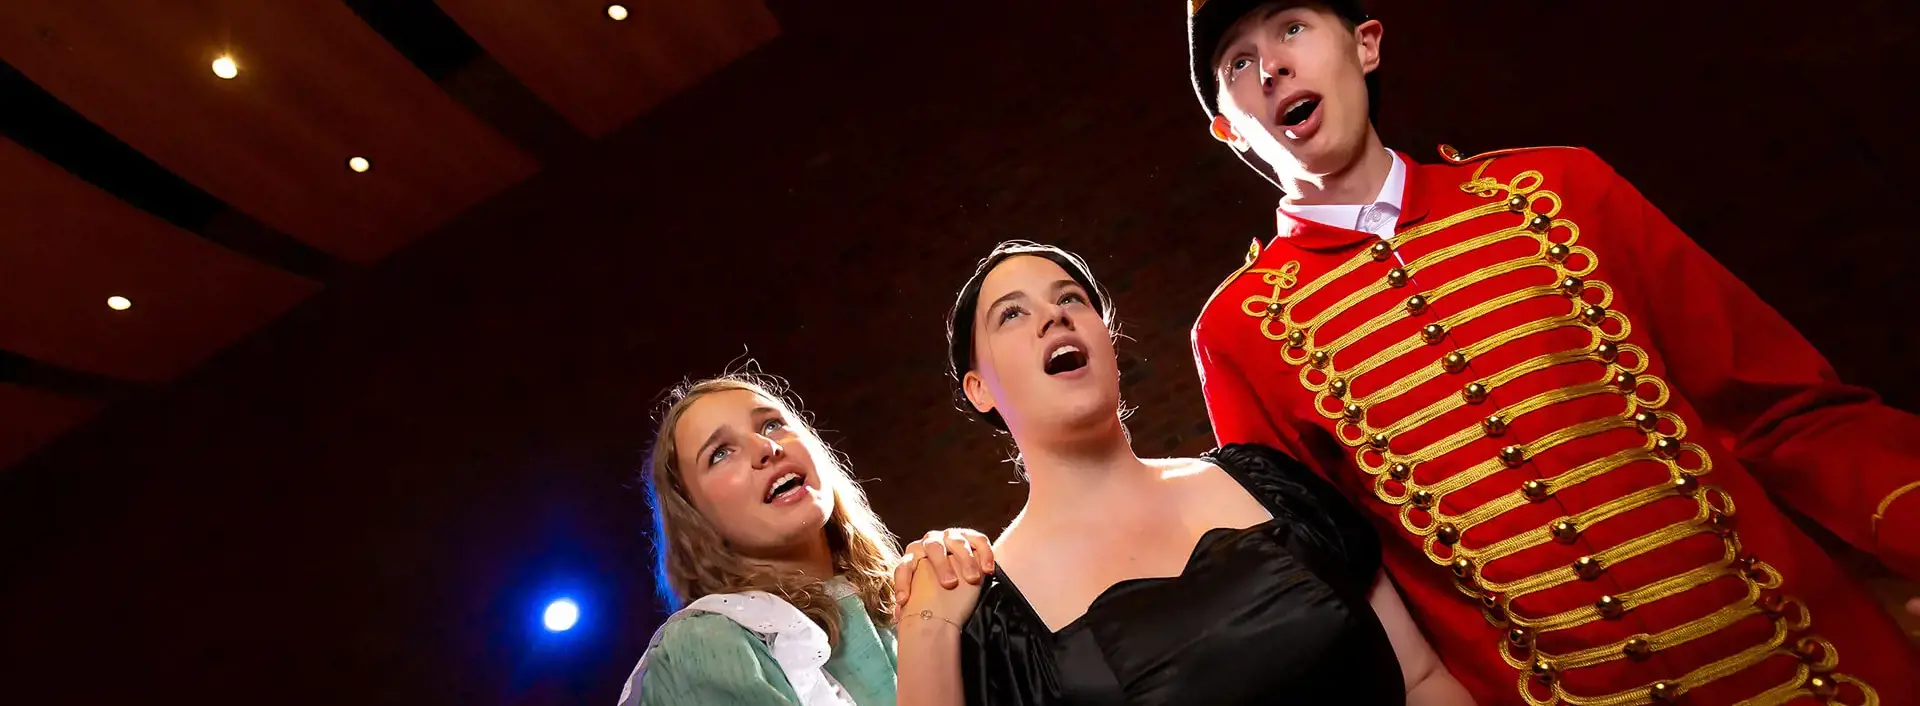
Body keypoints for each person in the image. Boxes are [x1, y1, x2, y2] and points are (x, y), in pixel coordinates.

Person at [1182, 1, 1920, 703]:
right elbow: (1333, 589)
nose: (1272, 66)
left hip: (1802, 668)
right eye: (1240, 64)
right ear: (1230, 130)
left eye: (1292, 29)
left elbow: (1783, 411)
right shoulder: (1238, 333)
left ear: (1366, 44)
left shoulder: (1564, 188)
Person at [903, 240, 1474, 704]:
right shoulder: (997, 621)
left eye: (1071, 299)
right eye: (1012, 314)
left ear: (1106, 339)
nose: (1054, 316)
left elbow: (1422, 680)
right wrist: (926, 627)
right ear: (978, 390)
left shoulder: (1267, 484)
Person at [616, 373, 992, 706]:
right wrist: (930, 628)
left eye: (771, 425)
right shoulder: (702, 645)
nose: (767, 449)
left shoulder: (913, 596)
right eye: (720, 454)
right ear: (693, 515)